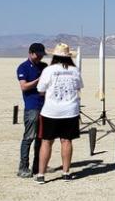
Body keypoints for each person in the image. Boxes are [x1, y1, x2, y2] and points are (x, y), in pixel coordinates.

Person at [35, 43, 83, 184]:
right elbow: (79, 87)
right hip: (70, 111)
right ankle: (66, 172)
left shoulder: (49, 70)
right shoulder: (75, 70)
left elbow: (40, 89)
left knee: (46, 141)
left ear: (55, 56)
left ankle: (41, 174)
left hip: (51, 111)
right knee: (66, 141)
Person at [16, 43, 47, 178]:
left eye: (41, 55)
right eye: (38, 55)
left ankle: (37, 165)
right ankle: (23, 167)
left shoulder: (44, 66)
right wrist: (39, 80)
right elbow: (24, 87)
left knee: (41, 138)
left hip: (45, 107)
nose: (40, 57)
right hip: (32, 107)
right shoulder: (23, 67)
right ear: (31, 53)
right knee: (29, 137)